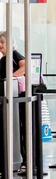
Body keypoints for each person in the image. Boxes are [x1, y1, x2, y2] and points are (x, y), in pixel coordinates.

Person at [0, 31, 26, 170]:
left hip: (18, 96)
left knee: (22, 128)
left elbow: (25, 66)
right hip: (8, 97)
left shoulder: (14, 54)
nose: (0, 45)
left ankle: (26, 161)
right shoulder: (3, 59)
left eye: (3, 42)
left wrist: (11, 77)